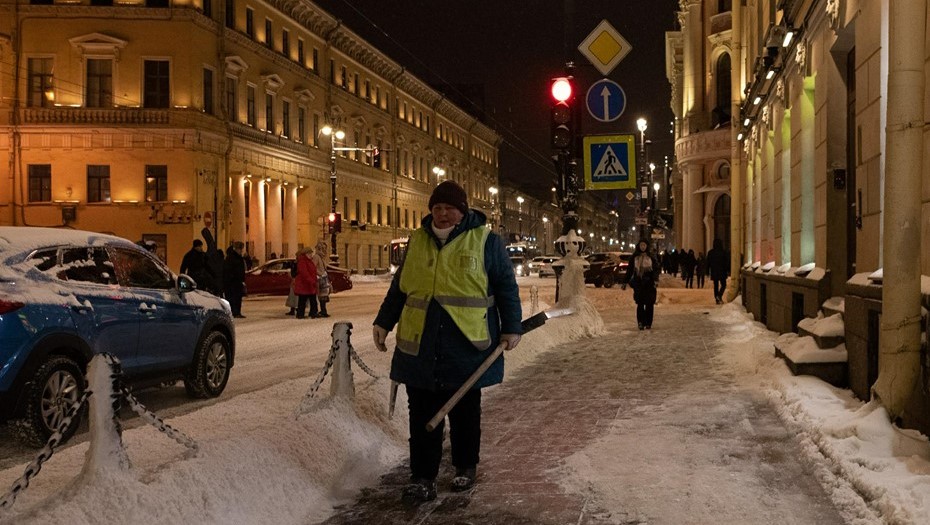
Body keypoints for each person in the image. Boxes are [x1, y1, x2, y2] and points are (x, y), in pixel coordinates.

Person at [372, 180, 522, 504]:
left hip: (465, 344)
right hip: (419, 344)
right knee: (421, 412)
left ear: (462, 211)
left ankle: (465, 467)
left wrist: (512, 327)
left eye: (449, 209)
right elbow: (400, 288)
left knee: (465, 411)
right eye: (437, 208)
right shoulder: (417, 241)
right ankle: (422, 476)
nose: (442, 214)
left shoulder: (485, 241)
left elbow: (506, 287)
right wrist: (384, 322)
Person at [622, 239, 660, 330]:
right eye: (641, 245)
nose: (643, 247)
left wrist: (655, 280)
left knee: (649, 304)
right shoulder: (634, 257)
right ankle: (640, 322)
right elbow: (630, 270)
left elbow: (656, 269)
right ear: (639, 246)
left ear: (647, 246)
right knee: (640, 304)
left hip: (649, 283)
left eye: (644, 245)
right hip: (639, 283)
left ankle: (648, 323)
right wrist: (625, 281)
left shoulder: (651, 257)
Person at [293, 247, 319, 319]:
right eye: (310, 253)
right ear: (306, 254)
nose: (311, 255)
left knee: (311, 299)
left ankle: (312, 313)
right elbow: (304, 273)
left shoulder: (308, 261)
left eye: (311, 253)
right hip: (304, 284)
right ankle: (301, 314)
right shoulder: (302, 261)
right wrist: (311, 280)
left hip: (309, 284)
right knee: (303, 300)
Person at [223, 241, 247, 318]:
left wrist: (242, 280)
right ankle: (233, 312)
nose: (241, 251)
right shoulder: (231, 258)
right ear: (236, 249)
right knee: (232, 297)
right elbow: (228, 270)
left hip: (238, 281)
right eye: (240, 249)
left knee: (238, 297)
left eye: (241, 249)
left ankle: (237, 312)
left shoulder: (239, 258)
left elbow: (241, 269)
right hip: (232, 282)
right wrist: (232, 278)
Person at [311, 241, 331, 318]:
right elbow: (313, 267)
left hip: (323, 278)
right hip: (320, 278)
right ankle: (322, 311)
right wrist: (320, 274)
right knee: (321, 295)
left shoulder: (321, 257)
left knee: (324, 295)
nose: (325, 250)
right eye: (323, 249)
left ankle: (324, 310)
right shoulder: (316, 257)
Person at [707, 238, 729, 304]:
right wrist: (727, 270)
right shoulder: (723, 252)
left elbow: (708, 263)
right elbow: (726, 262)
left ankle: (717, 299)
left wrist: (707, 271)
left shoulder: (711, 252)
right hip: (722, 271)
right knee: (724, 285)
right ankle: (719, 295)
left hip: (714, 271)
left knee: (716, 285)